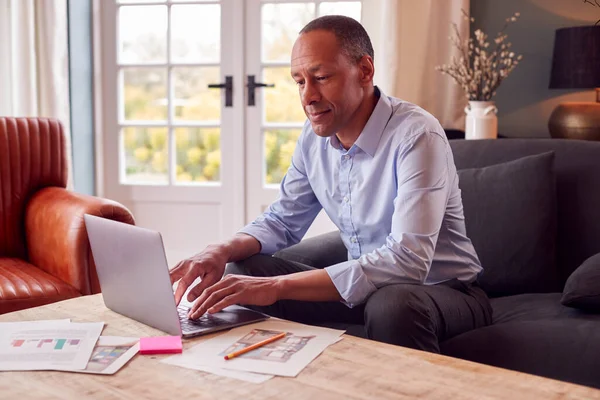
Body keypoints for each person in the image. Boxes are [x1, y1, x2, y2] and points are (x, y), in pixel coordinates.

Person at [169, 15, 492, 353]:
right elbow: (281, 220)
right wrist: (219, 250)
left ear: (364, 71)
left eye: (321, 77)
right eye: (299, 81)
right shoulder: (313, 139)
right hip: (370, 290)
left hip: (445, 291)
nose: (308, 96)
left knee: (392, 305)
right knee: (244, 268)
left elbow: (408, 260)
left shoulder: (417, 135)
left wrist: (278, 287)